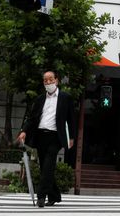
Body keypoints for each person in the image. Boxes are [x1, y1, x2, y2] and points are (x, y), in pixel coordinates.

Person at [16, 70, 77, 208]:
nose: (48, 82)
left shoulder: (65, 98)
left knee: (48, 164)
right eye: (45, 80)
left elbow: (71, 119)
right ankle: (55, 195)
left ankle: (41, 196)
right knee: (45, 168)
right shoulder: (40, 99)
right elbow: (32, 118)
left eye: (51, 79)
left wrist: (72, 137)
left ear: (57, 80)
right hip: (40, 136)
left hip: (55, 137)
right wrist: (24, 131)